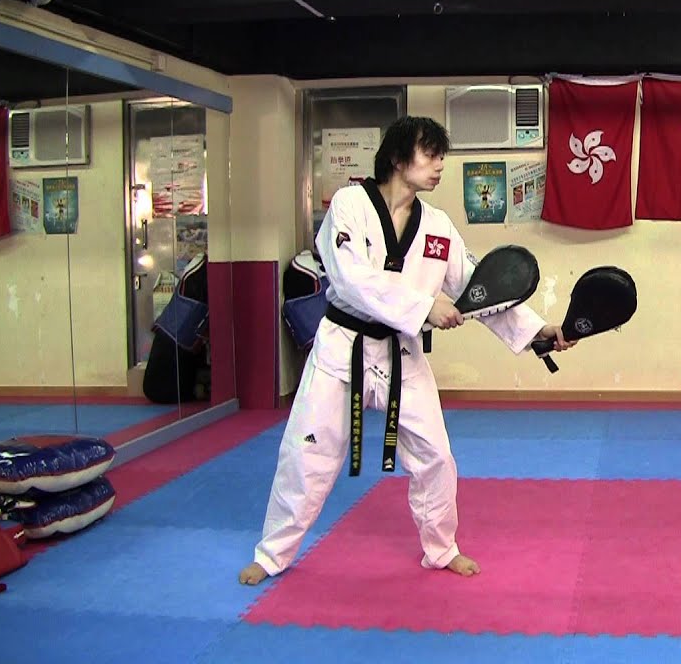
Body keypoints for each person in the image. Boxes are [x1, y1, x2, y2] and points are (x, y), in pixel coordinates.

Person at [239, 116, 573, 586]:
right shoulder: (350, 206)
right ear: (398, 158)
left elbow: (480, 288)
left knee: (436, 456)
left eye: (441, 156)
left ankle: (442, 548)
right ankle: (273, 553)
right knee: (307, 454)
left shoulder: (437, 226)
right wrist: (424, 306)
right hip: (342, 351)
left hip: (402, 354)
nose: (439, 165)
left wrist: (539, 332)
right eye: (430, 154)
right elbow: (351, 278)